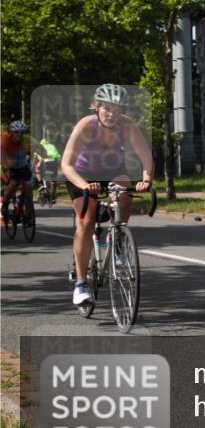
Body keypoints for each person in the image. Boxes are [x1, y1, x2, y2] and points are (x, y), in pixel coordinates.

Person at [60, 84, 153, 306]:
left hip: (111, 170)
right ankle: (81, 284)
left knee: (125, 191)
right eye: (107, 109)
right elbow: (66, 164)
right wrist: (85, 185)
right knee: (86, 220)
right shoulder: (86, 125)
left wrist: (146, 180)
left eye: (117, 109)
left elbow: (146, 158)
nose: (112, 114)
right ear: (97, 107)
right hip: (81, 174)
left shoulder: (128, 126)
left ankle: (119, 240)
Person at [1, 120, 36, 223]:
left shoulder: (27, 140)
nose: (19, 134)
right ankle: (4, 204)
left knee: (29, 188)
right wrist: (7, 169)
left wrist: (33, 166)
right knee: (13, 184)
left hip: (23, 167)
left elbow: (35, 153)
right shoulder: (5, 140)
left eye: (22, 132)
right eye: (16, 132)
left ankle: (28, 213)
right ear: (11, 132)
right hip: (9, 167)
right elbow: (2, 157)